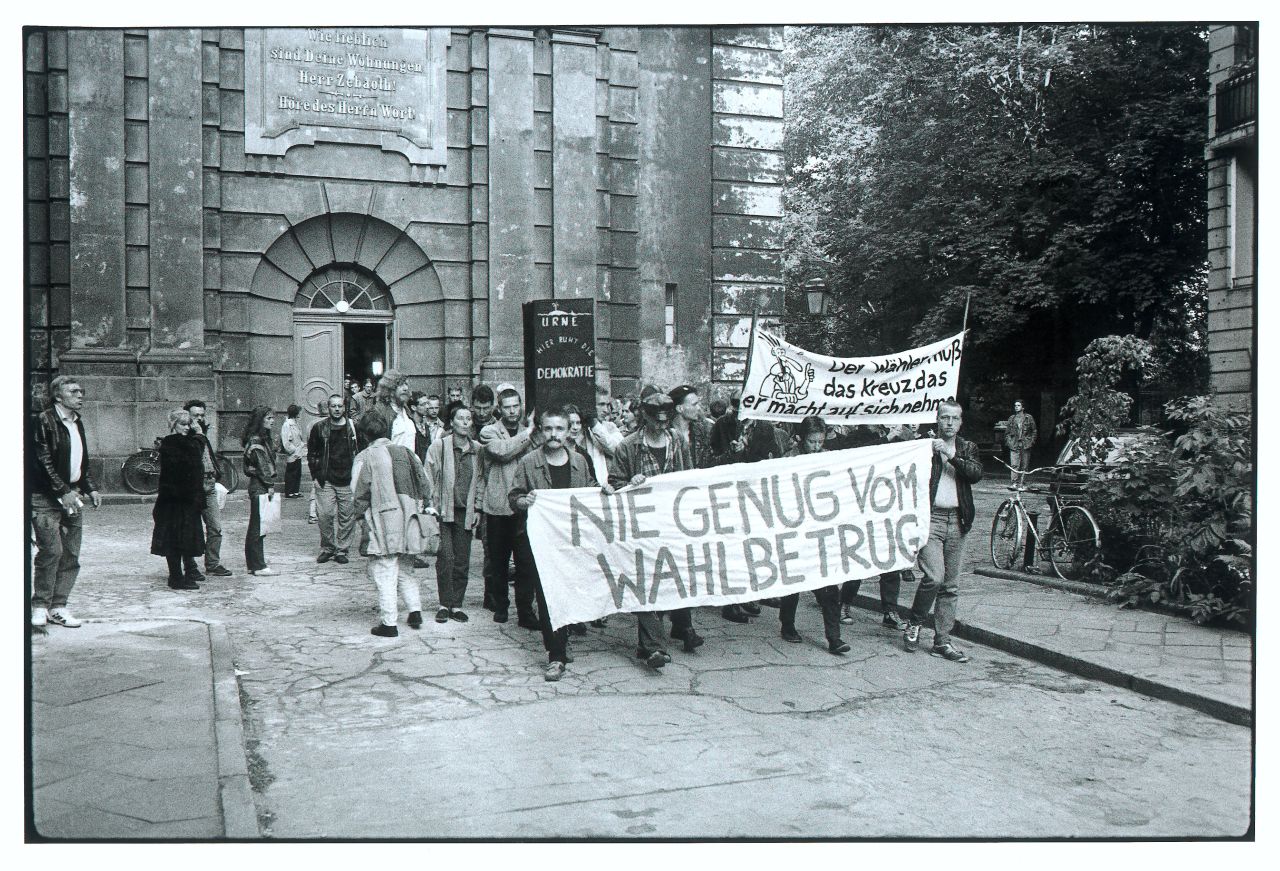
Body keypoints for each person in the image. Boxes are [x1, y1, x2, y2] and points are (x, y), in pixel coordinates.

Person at [509, 406, 615, 681]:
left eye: (559, 429)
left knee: (570, 592)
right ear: (541, 431)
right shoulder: (528, 462)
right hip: (542, 544)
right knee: (547, 596)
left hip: (572, 542)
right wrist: (525, 501)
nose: (553, 434)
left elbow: (590, 490)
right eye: (548, 428)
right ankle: (555, 655)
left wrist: (601, 490)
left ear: (569, 432)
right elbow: (514, 497)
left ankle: (563, 639)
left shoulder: (580, 461)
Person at [608, 393, 695, 667]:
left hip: (671, 520)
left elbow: (688, 475)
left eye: (664, 420)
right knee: (643, 580)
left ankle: (669, 633)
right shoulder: (628, 446)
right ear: (645, 417)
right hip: (641, 524)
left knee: (672, 576)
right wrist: (629, 481)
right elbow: (614, 482)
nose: (660, 425)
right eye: (655, 420)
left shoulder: (677, 441)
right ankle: (654, 646)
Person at [903, 400, 983, 662]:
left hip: (957, 520)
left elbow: (974, 474)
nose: (949, 423)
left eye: (955, 419)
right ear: (937, 420)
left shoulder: (967, 448)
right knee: (934, 578)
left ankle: (942, 641)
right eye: (945, 418)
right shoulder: (926, 447)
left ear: (961, 423)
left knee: (950, 585)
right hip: (931, 519)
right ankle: (915, 622)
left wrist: (951, 455)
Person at [351, 412, 434, 637]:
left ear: (364, 434)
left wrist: (360, 518)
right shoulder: (407, 452)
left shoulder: (365, 457)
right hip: (410, 519)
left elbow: (358, 492)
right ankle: (415, 610)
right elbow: (425, 484)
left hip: (383, 521)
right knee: (406, 568)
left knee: (385, 572)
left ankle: (389, 623)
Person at [30, 376, 102, 627]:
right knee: (52, 551)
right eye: (73, 391)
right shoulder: (43, 421)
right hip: (46, 497)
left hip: (72, 495)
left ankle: (59, 606)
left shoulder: (76, 421)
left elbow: (81, 460)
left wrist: (89, 487)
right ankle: (40, 605)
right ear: (58, 396)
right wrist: (63, 491)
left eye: (81, 391)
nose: (80, 395)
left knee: (71, 553)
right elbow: (43, 460)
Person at [776, 416, 850, 654]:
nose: (816, 446)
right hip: (796, 530)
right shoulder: (788, 460)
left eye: (820, 441)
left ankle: (834, 637)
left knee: (829, 587)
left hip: (821, 531)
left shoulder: (828, 459)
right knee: (794, 581)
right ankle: (787, 624)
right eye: (811, 442)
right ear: (801, 439)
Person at [476, 387, 540, 628]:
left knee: (525, 563)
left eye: (516, 406)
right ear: (499, 409)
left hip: (523, 507)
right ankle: (501, 606)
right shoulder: (489, 431)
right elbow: (503, 452)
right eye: (507, 407)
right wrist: (531, 432)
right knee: (499, 562)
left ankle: (525, 612)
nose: (513, 411)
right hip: (498, 507)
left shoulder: (528, 431)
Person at [839, 424, 912, 630]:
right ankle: (845, 603)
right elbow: (859, 457)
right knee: (859, 559)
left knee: (891, 562)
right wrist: (888, 438)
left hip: (888, 503)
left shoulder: (902, 432)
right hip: (863, 505)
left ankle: (890, 610)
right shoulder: (859, 433)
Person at [425, 402, 480, 624]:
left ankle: (457, 605)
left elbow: (481, 481)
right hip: (443, 512)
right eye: (460, 418)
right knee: (445, 558)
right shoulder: (439, 446)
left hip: (465, 513)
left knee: (462, 560)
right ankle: (443, 604)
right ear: (451, 422)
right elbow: (428, 476)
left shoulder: (478, 450)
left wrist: (477, 508)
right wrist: (430, 504)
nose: (465, 422)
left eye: (468, 418)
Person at [151, 409, 207, 590]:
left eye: (188, 424)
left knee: (184, 538)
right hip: (174, 501)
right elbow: (193, 455)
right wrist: (199, 434)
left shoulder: (183, 442)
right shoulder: (172, 442)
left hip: (184, 499)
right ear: (174, 425)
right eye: (183, 424)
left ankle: (182, 575)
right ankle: (176, 577)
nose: (186, 427)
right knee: (174, 539)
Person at [307, 393, 359, 565]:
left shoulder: (353, 427)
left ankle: (342, 550)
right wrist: (315, 475)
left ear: (344, 408)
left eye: (340, 406)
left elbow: (361, 452)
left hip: (348, 479)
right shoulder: (319, 428)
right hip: (326, 479)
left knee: (347, 518)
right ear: (328, 408)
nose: (337, 409)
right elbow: (312, 454)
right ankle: (328, 548)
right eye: (333, 406)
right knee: (325, 515)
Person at [184, 398, 233, 577]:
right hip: (194, 487)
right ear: (187, 416)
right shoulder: (185, 436)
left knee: (215, 527)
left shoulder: (202, 434)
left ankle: (212, 563)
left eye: (202, 415)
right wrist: (198, 434)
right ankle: (190, 566)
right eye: (195, 415)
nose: (199, 418)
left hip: (210, 484)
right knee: (191, 528)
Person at [242, 405, 278, 576]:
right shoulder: (257, 442)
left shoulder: (256, 440)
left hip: (257, 484)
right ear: (260, 420)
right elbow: (263, 467)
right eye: (269, 418)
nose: (273, 421)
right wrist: (270, 484)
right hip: (260, 486)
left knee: (255, 525)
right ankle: (258, 565)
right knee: (259, 527)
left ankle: (253, 564)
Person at [1002, 399, 1038, 482]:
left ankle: (1022, 482)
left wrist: (1031, 442)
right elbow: (1007, 432)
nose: (1016, 407)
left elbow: (1034, 431)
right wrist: (1009, 442)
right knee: (1014, 465)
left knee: (1025, 465)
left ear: (1023, 407)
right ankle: (1014, 482)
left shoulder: (1028, 417)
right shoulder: (1012, 418)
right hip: (1014, 444)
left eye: (1018, 405)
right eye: (1015, 405)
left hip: (1026, 444)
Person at [280, 403, 306, 497]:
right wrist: (293, 450)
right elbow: (286, 440)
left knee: (297, 473)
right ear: (295, 413)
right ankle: (289, 492)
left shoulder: (296, 423)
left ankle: (295, 491)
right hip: (293, 453)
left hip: (298, 452)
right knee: (291, 473)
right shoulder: (287, 425)